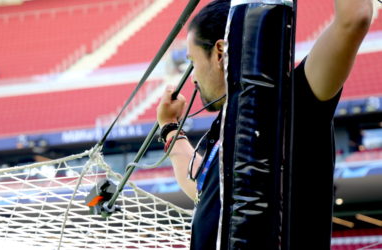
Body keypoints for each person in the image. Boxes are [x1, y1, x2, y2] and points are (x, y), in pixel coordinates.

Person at [156, 0, 374, 249]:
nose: (192, 77)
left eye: (192, 62)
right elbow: (202, 190)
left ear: (219, 53)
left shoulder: (295, 98)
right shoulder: (230, 127)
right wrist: (170, 129)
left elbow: (354, 19)